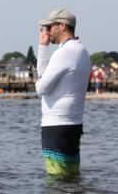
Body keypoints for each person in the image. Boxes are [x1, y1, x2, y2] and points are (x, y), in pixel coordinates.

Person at [36, 10, 91, 177]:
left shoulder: (64, 52)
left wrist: (42, 48)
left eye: (50, 26)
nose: (46, 31)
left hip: (57, 125)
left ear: (62, 26)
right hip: (72, 123)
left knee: (57, 179)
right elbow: (43, 74)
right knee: (70, 176)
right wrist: (43, 47)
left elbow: (40, 87)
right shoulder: (81, 50)